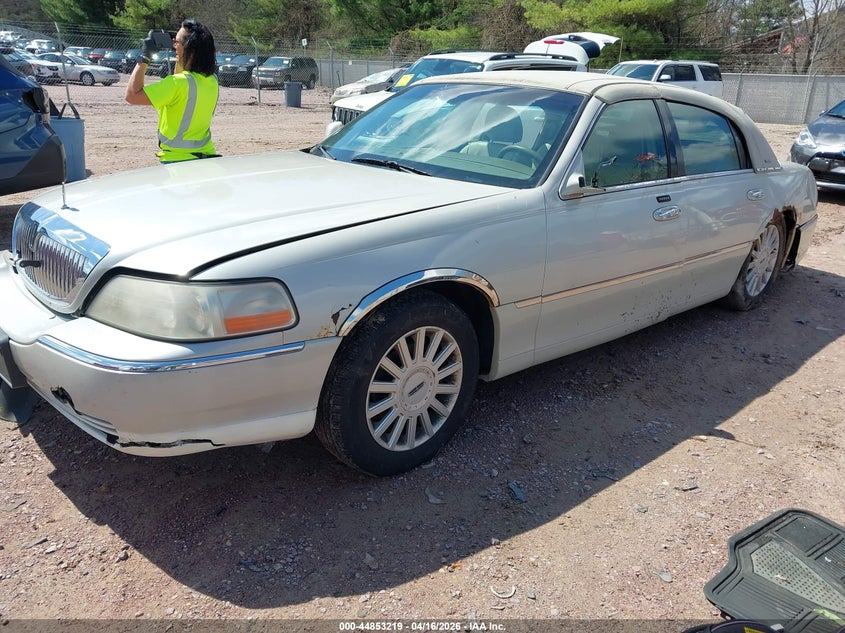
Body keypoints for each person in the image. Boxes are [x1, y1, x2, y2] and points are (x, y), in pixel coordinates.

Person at [125, 19, 219, 163]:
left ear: (190, 49)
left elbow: (132, 95)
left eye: (177, 42)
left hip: (177, 161)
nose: (174, 45)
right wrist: (180, 55)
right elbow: (183, 75)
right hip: (207, 157)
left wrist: (144, 56)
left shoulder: (177, 84)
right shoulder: (212, 81)